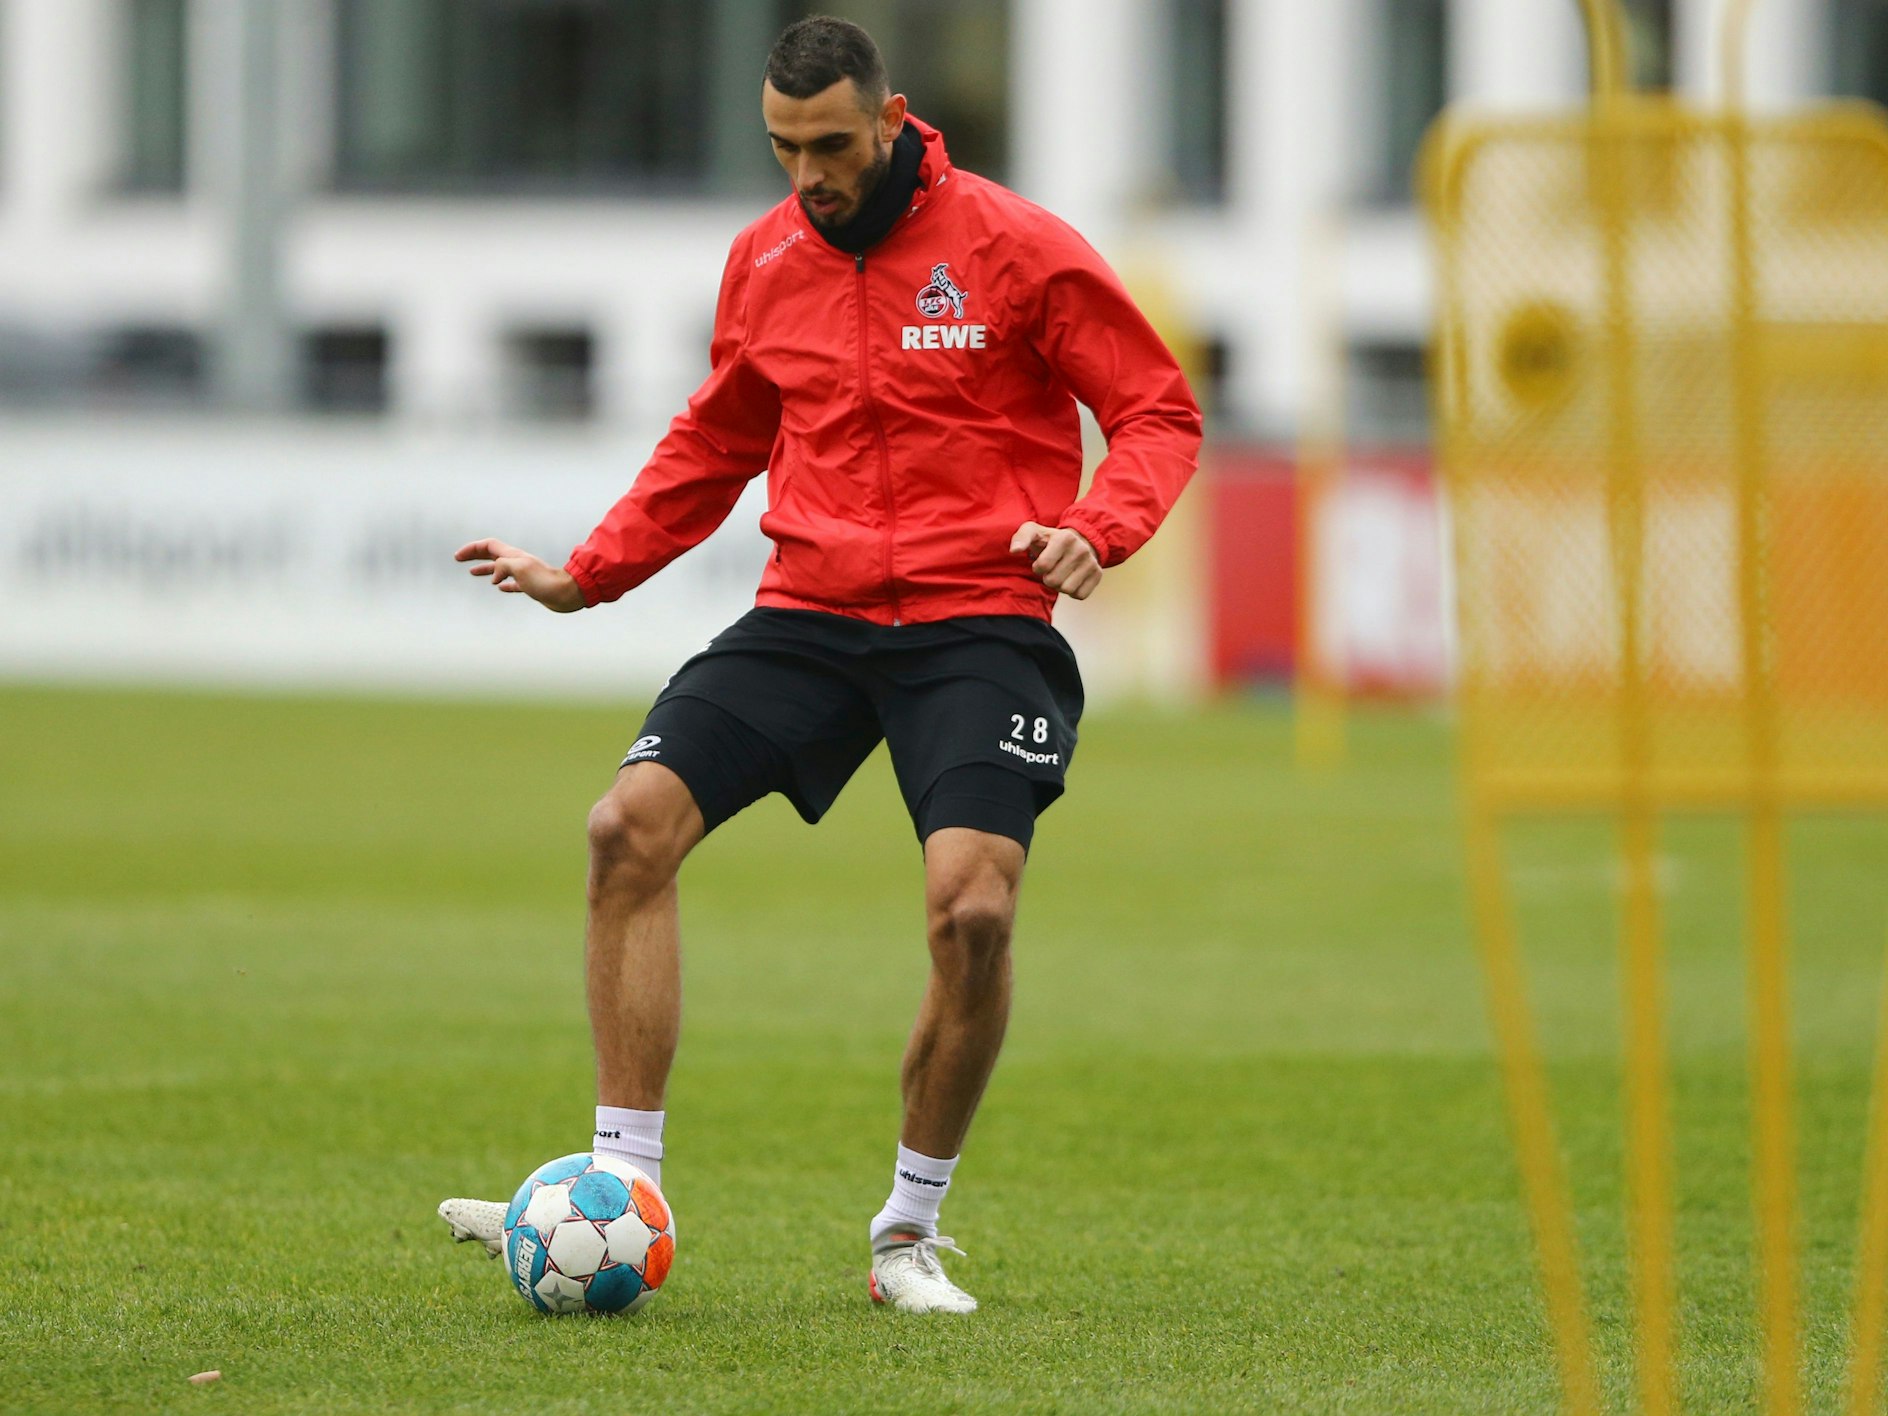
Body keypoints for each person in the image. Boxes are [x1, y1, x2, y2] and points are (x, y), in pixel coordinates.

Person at [438, 15, 1200, 1315]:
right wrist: (591, 570)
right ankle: (626, 1186)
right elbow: (717, 437)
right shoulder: (768, 261)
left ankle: (907, 1234)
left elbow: (1156, 409)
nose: (809, 175)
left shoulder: (1015, 248)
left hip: (979, 616)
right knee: (626, 829)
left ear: (894, 118)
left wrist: (1094, 530)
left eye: (832, 145)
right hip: (813, 606)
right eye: (785, 149)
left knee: (976, 912)